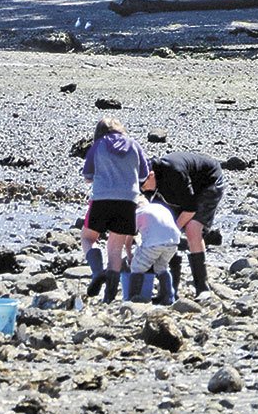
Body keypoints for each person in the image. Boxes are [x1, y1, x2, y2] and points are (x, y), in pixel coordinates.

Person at [80, 117, 149, 302]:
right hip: (128, 201)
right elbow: (144, 175)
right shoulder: (134, 145)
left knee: (88, 238)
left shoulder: (98, 145)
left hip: (102, 199)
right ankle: (109, 297)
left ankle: (97, 273)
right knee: (115, 248)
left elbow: (87, 176)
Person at [144, 151, 226, 296]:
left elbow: (190, 208)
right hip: (186, 189)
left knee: (192, 229)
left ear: (151, 175)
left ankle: (202, 287)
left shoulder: (174, 173)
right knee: (163, 226)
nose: (142, 190)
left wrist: (173, 229)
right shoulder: (147, 177)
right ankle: (171, 288)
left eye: (143, 186)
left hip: (209, 181)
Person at [128, 194, 181, 305]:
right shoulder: (160, 208)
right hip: (173, 241)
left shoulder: (139, 213)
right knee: (162, 267)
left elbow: (129, 237)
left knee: (137, 267)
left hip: (154, 243)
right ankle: (168, 296)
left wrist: (129, 255)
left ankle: (133, 298)